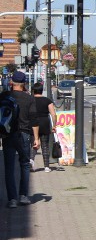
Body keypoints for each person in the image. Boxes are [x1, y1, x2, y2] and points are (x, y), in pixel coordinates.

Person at [1, 71, 40, 208]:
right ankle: (23, 196)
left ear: (11, 82)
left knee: (9, 167)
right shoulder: (29, 99)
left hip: (7, 134)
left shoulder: (4, 96)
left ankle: (12, 199)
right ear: (24, 84)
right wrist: (36, 138)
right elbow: (34, 120)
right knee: (24, 164)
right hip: (24, 134)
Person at [30, 82, 57, 173]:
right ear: (42, 90)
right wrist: (54, 125)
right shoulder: (47, 100)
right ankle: (46, 166)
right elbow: (53, 114)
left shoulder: (30, 100)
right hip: (45, 123)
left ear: (33, 91)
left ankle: (31, 162)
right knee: (45, 145)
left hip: (33, 124)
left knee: (34, 144)